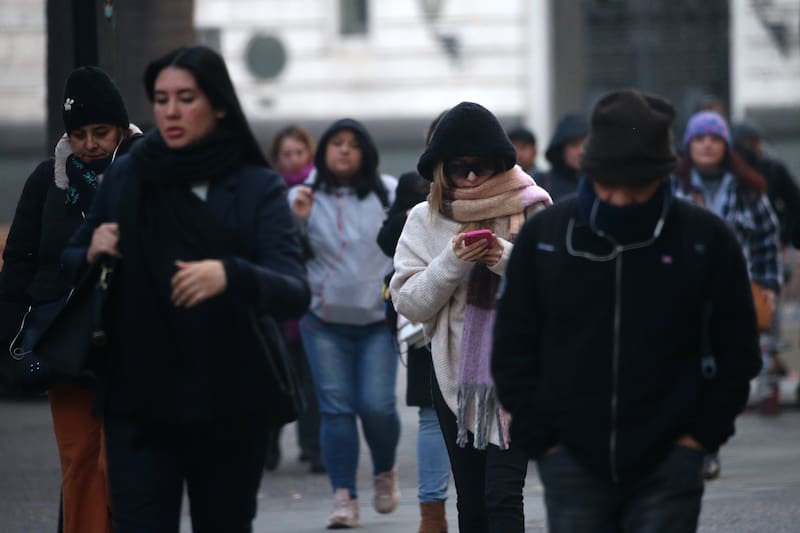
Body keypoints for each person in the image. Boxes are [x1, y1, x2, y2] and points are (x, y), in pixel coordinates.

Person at [61, 46, 310, 532]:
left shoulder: (255, 185)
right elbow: (71, 260)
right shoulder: (129, 174)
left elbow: (294, 290)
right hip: (138, 394)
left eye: (186, 98)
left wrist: (230, 274)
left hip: (229, 396)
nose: (171, 111)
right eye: (161, 99)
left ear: (218, 105)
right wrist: (91, 248)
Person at [491, 88, 762, 533]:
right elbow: (513, 343)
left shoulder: (704, 239)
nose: (619, 199)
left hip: (670, 458)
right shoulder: (547, 237)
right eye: (608, 184)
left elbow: (738, 348)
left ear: (661, 176)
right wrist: (542, 438)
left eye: (636, 187)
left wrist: (700, 437)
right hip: (570, 459)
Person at [391, 101, 551, 533]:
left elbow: (556, 285)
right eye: (460, 168)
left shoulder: (531, 206)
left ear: (500, 162)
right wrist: (452, 261)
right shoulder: (424, 219)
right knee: (473, 502)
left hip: (519, 373)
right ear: (442, 169)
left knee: (503, 495)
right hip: (454, 377)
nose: (473, 177)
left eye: (482, 166)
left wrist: (503, 257)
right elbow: (409, 301)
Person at [0, 65, 140, 533]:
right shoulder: (46, 180)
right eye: (79, 134)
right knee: (79, 459)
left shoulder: (146, 171)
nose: (90, 144)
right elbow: (19, 259)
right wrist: (10, 332)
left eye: (101, 132)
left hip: (130, 337)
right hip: (64, 336)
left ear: (120, 128)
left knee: (118, 462)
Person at [290, 117, 400, 529]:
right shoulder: (302, 195)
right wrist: (299, 220)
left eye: (354, 143)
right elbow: (286, 251)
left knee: (377, 407)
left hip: (377, 320)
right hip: (323, 320)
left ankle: (384, 469)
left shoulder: (388, 192)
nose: (344, 150)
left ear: (366, 152)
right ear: (323, 150)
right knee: (335, 409)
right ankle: (344, 498)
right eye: (337, 142)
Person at [675, 111, 782, 431]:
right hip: (684, 294)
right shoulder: (671, 187)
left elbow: (766, 238)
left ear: (726, 146)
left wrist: (768, 284)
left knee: (730, 366)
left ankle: (712, 428)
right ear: (689, 145)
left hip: (734, 292)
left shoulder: (749, 190)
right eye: (700, 139)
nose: (707, 145)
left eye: (715, 139)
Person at [377, 170, 451, 533]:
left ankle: (485, 507)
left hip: (481, 317)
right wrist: (412, 213)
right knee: (430, 414)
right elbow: (386, 239)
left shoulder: (500, 187)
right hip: (424, 319)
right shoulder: (415, 186)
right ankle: (431, 514)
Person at [264, 124, 324, 474]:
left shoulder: (321, 190)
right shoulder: (269, 192)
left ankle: (313, 447)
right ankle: (269, 448)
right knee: (275, 375)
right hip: (276, 297)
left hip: (313, 296)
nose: (292, 159)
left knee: (312, 380)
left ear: (309, 154)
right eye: (286, 154)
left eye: (298, 152)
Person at [541, 112, 589, 202]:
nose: (581, 151)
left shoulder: (599, 183)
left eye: (586, 144)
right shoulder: (542, 181)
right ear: (561, 149)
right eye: (574, 144)